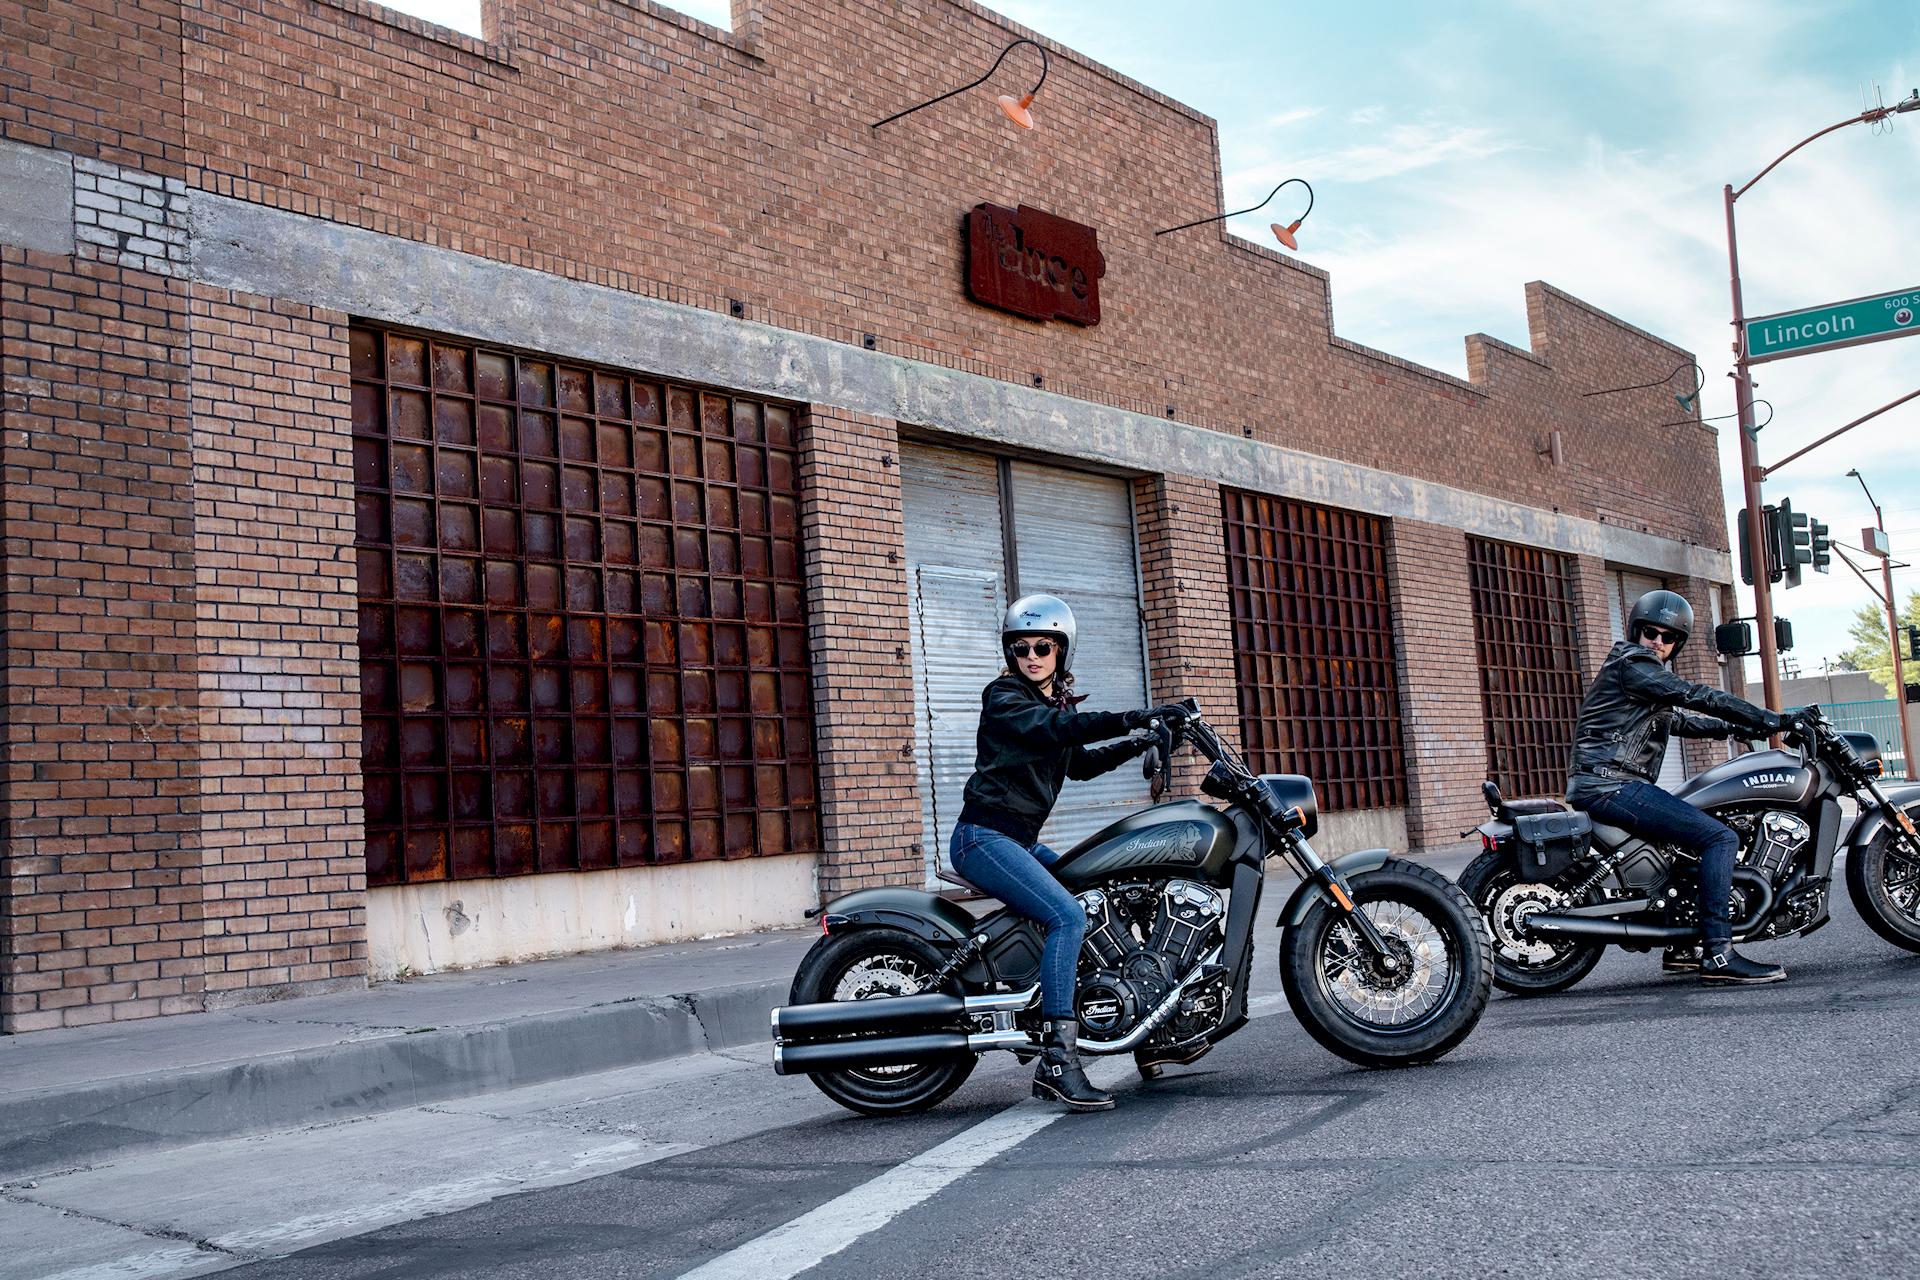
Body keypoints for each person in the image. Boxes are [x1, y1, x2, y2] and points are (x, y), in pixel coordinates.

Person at [949, 593, 1191, 1111]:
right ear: (1010, 653)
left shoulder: (1052, 704)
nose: (1032, 656)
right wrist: (1134, 716)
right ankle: (1058, 1062)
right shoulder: (1004, 697)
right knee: (1067, 916)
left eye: (1043, 646)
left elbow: (1078, 763)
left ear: (1062, 650)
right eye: (1021, 648)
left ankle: (1144, 1031)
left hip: (1017, 840)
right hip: (983, 837)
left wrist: (1142, 741)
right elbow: (1055, 731)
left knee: (1092, 899)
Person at [1565, 589, 1797, 985]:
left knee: (1683, 847)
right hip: (1611, 783)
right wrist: (1771, 719)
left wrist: (1737, 728)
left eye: (1668, 637)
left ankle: (1682, 948)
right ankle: (1718, 953)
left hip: (1607, 781)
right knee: (1720, 838)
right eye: (1651, 632)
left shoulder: (1639, 677)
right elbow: (1695, 696)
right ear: (1637, 632)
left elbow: (1678, 721)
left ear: (1677, 643)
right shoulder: (1633, 663)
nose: (1658, 641)